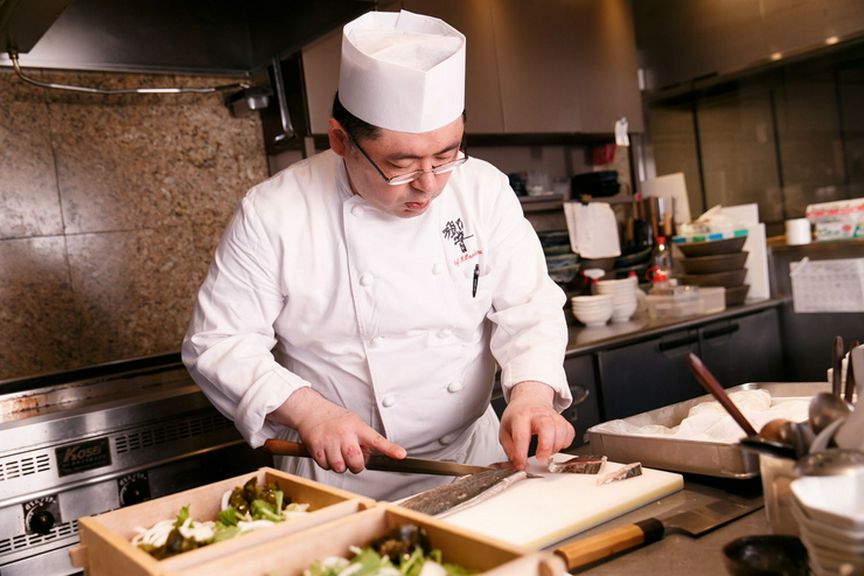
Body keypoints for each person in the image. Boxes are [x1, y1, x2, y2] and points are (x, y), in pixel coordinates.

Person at [182, 9, 575, 501]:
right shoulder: (274, 212)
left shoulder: (484, 190)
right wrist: (310, 412)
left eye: (446, 155)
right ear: (341, 141)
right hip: (341, 479)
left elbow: (530, 308)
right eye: (400, 164)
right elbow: (219, 341)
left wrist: (533, 396)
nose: (428, 186)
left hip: (472, 461)